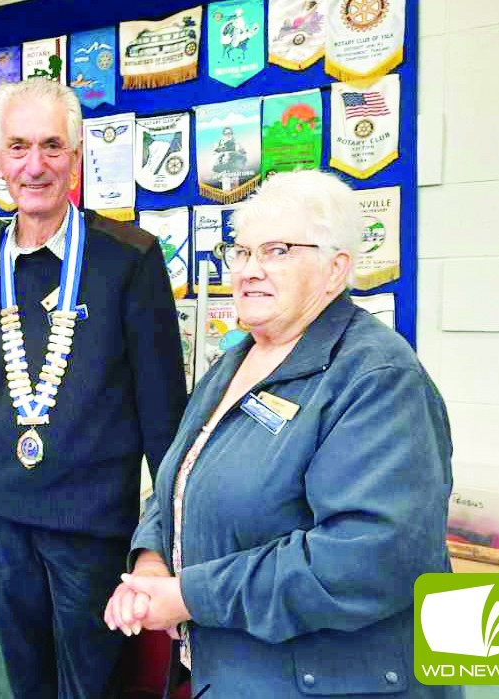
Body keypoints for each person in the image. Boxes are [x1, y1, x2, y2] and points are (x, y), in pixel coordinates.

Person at [105, 170, 460, 698]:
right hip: (233, 671)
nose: (249, 271)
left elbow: (364, 560)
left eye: (276, 251)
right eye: (241, 252)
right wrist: (151, 561)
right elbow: (180, 478)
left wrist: (189, 596)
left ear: (335, 270)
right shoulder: (233, 362)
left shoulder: (378, 377)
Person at [0, 78, 187, 699]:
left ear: (76, 159)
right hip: (0, 521)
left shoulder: (128, 259)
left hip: (93, 525)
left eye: (53, 146)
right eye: (18, 147)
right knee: (26, 679)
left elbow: (165, 416)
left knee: (94, 684)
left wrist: (168, 539)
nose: (35, 165)